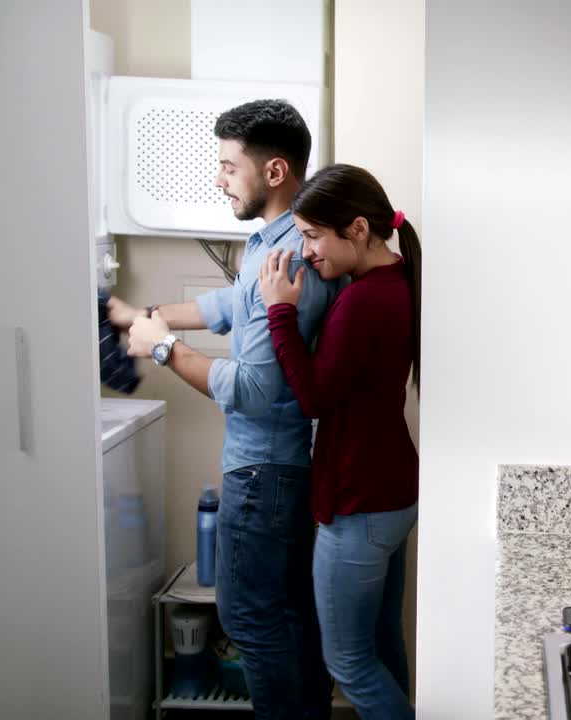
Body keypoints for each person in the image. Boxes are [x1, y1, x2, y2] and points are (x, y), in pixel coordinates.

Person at [115, 99, 338, 720]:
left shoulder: (285, 254)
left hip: (264, 470)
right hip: (281, 468)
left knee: (252, 620)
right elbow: (231, 305)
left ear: (273, 171)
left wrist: (161, 348)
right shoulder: (280, 240)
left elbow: (253, 388)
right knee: (288, 619)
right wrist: (145, 314)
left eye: (227, 166)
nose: (218, 179)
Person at [258, 164, 421, 719]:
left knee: (349, 663)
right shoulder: (398, 280)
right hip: (393, 494)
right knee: (381, 646)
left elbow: (314, 399)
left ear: (356, 229)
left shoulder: (362, 302)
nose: (305, 252)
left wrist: (279, 311)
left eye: (311, 236)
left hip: (360, 503)